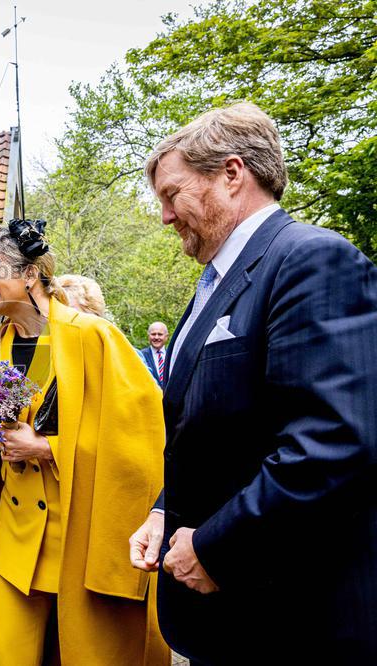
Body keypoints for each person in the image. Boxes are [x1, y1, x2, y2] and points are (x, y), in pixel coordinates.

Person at [128, 102, 377, 664]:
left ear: (232, 174)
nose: (165, 216)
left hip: (291, 619)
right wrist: (167, 509)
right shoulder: (215, 284)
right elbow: (218, 433)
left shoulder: (311, 260)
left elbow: (333, 444)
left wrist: (217, 548)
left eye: (172, 195)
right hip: (231, 620)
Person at [0, 222, 169, 665]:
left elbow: (139, 440)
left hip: (78, 539)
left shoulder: (92, 337)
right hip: (13, 539)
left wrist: (48, 449)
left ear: (29, 275)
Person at [138, 322, 169, 388]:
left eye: (160, 334)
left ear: (166, 337)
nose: (156, 337)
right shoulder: (140, 356)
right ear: (148, 336)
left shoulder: (172, 355)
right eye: (153, 334)